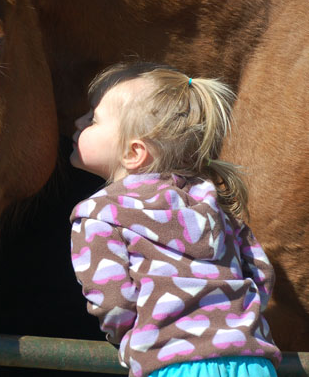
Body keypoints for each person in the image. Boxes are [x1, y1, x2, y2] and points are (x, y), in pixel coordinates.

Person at [69, 62, 281, 377]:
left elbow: (113, 301)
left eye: (93, 118)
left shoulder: (99, 214)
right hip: (251, 361)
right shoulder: (212, 201)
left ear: (134, 152)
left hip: (171, 363)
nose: (77, 121)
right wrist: (235, 322)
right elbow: (262, 275)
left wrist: (132, 336)